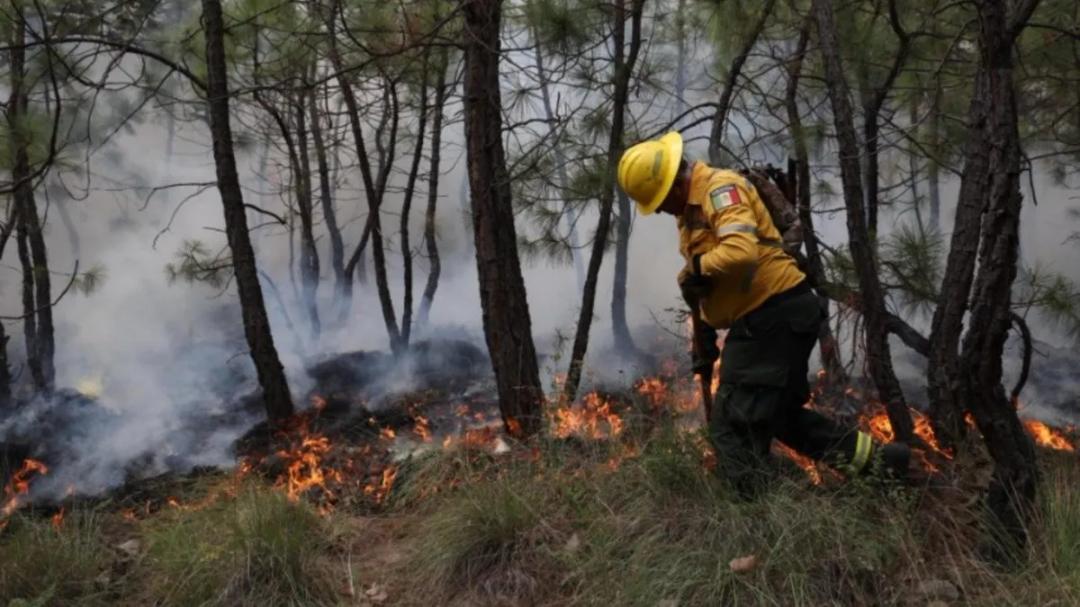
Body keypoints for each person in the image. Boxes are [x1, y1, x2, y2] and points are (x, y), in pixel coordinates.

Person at [616, 131, 910, 496]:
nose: (660, 209)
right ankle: (882, 466)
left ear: (677, 182)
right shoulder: (690, 213)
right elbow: (714, 279)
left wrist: (692, 268)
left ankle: (755, 509)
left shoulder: (719, 189)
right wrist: (704, 331)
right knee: (780, 418)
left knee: (731, 426)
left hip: (774, 316)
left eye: (660, 200)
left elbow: (739, 253)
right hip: (768, 317)